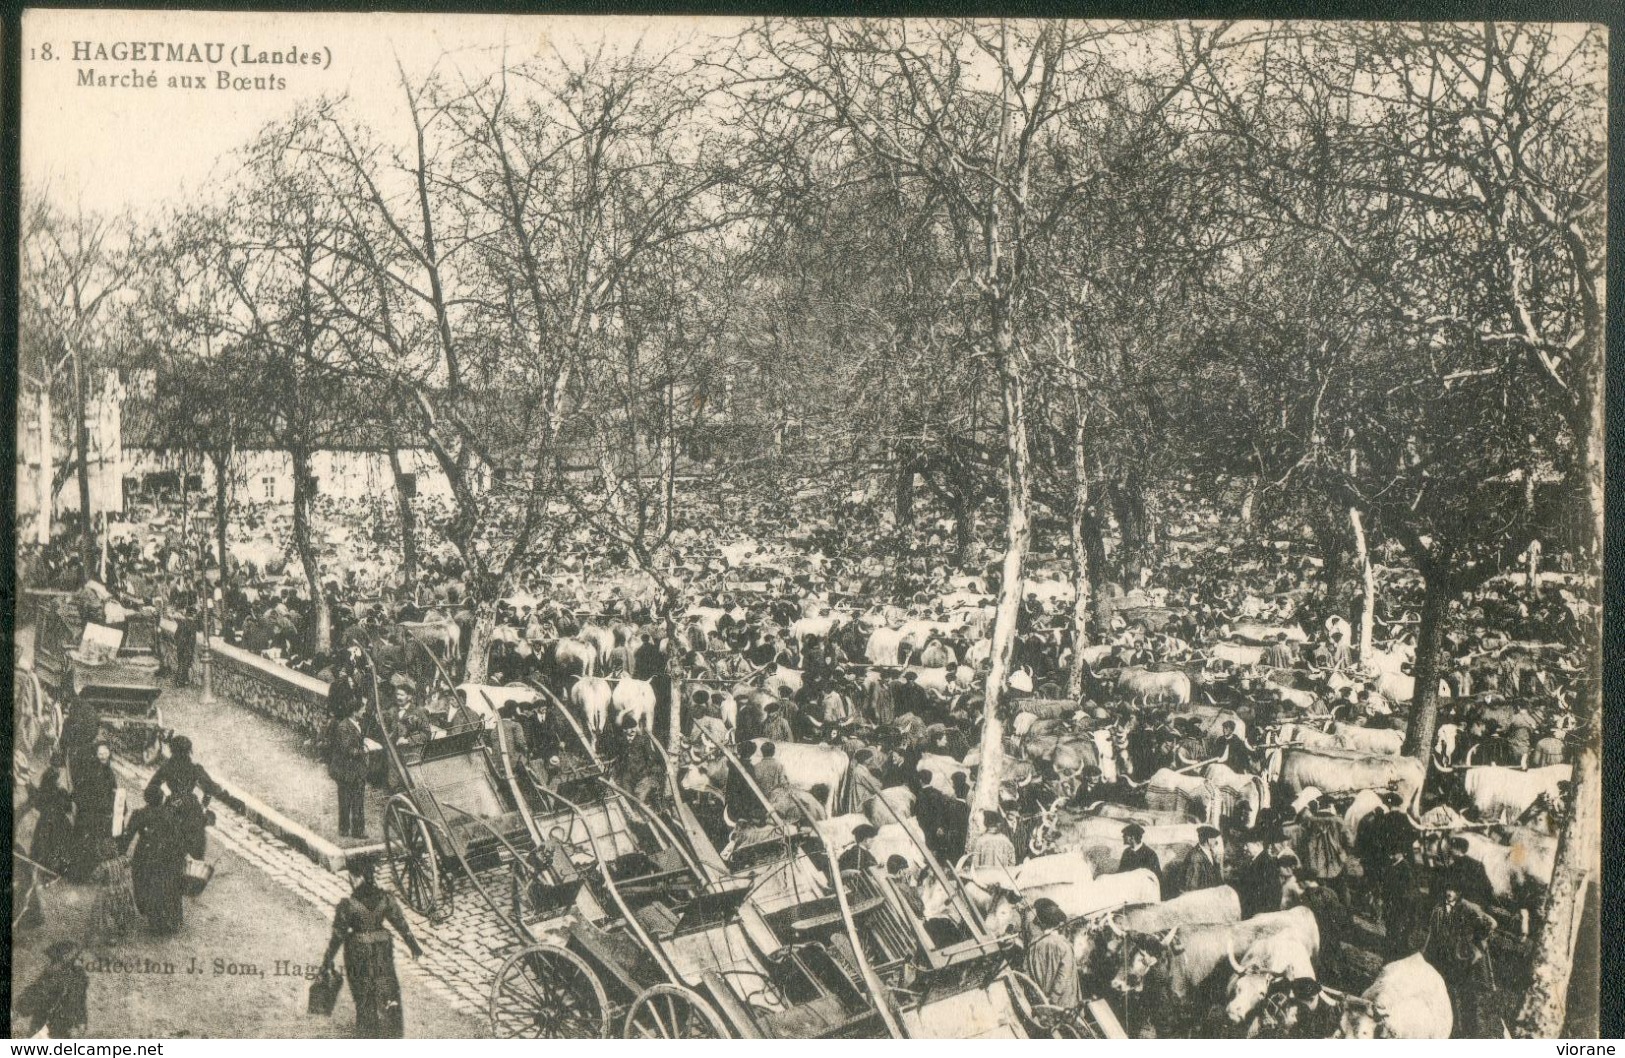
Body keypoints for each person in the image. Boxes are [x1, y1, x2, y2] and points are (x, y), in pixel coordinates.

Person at [322, 856, 423, 1038]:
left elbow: (338, 935)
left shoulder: (348, 905)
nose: (350, 881)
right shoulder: (385, 898)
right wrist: (414, 947)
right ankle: (390, 1030)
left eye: (351, 877)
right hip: (382, 948)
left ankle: (367, 1031)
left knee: (363, 992)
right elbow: (400, 923)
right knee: (386, 987)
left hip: (357, 950)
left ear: (356, 877)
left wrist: (327, 960)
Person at [1421, 883, 1500, 1038]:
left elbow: (1491, 924)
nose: (1449, 893)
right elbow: (1432, 934)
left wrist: (1477, 950)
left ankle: (1471, 1032)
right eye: (1447, 889)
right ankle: (1452, 1028)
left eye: (1453, 890)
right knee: (1446, 994)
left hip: (1463, 961)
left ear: (1459, 892)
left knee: (1467, 997)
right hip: (1444, 959)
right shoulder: (1438, 908)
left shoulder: (1468, 908)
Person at [120, 785, 188, 935]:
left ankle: (155, 920)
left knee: (145, 885)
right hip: (166, 855)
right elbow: (179, 837)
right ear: (162, 798)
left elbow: (128, 836)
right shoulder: (170, 813)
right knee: (167, 886)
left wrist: (119, 854)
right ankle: (171, 919)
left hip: (145, 855)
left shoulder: (139, 814)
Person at [145, 736, 222, 860]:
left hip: (172, 804)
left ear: (172, 751)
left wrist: (161, 800)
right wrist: (203, 806)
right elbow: (211, 788)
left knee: (160, 834)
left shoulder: (168, 767)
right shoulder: (194, 768)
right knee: (197, 836)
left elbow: (152, 787)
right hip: (191, 805)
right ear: (188, 751)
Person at [14, 940, 89, 1039]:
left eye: (79, 957)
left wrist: (81, 1022)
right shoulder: (50, 977)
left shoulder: (78, 977)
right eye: (77, 957)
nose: (80, 960)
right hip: (44, 1027)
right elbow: (33, 996)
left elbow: (79, 1002)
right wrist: (18, 1010)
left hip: (64, 1029)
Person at [67, 742, 119, 883]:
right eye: (100, 753)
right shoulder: (94, 770)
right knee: (88, 842)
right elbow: (86, 791)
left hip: (95, 812)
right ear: (95, 755)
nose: (103, 756)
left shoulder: (106, 769)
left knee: (91, 842)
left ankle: (87, 874)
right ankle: (81, 876)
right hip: (91, 812)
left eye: (105, 753)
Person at [1024, 898, 1081, 1012]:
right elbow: (1063, 977)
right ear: (1058, 923)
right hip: (1064, 1006)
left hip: (1041, 1004)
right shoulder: (1064, 946)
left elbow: (1027, 973)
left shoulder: (1033, 946)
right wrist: (1053, 1000)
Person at [330, 704, 371, 839]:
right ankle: (347, 829)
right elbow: (347, 750)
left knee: (356, 799)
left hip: (355, 769)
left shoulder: (355, 724)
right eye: (362, 708)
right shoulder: (344, 727)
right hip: (346, 770)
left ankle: (354, 829)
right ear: (354, 711)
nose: (364, 711)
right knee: (346, 799)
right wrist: (364, 750)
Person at [1173, 825, 1224, 897]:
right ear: (1208, 840)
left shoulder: (1208, 851)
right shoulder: (1196, 856)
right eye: (1214, 838)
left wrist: (1217, 864)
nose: (1216, 841)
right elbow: (1193, 884)